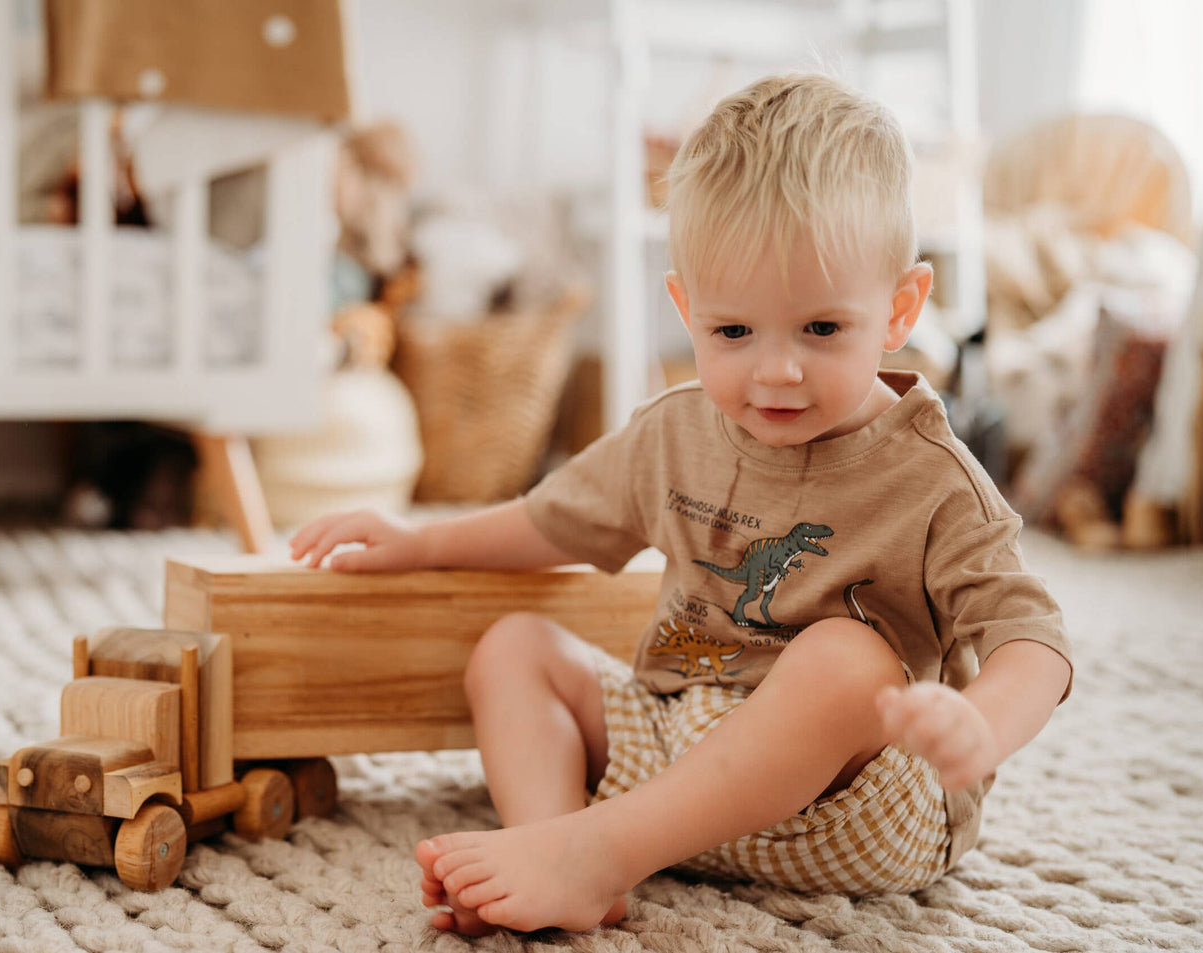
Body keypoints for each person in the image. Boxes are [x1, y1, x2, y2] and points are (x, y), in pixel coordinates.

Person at [289, 73, 1073, 935]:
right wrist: (421, 542)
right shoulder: (673, 432)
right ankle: (559, 849)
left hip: (849, 806)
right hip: (671, 749)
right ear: (685, 308)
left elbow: (1031, 640)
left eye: (820, 329)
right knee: (515, 648)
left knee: (848, 658)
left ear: (898, 308)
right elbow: (551, 520)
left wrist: (979, 722)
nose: (775, 370)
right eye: (733, 332)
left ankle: (597, 846)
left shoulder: (931, 476)